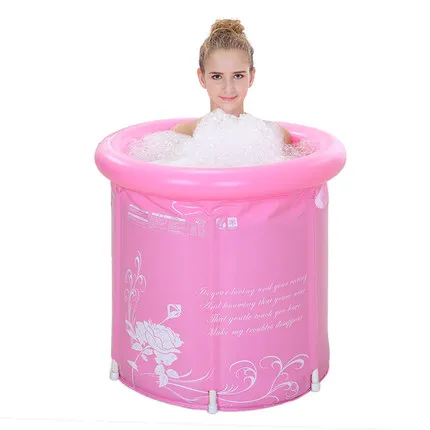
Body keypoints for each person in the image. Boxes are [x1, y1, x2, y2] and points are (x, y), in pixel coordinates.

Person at [171, 19, 292, 145]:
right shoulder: (181, 135)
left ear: (251, 77)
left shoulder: (276, 137)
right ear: (202, 78)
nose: (228, 88)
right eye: (217, 76)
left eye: (238, 76)